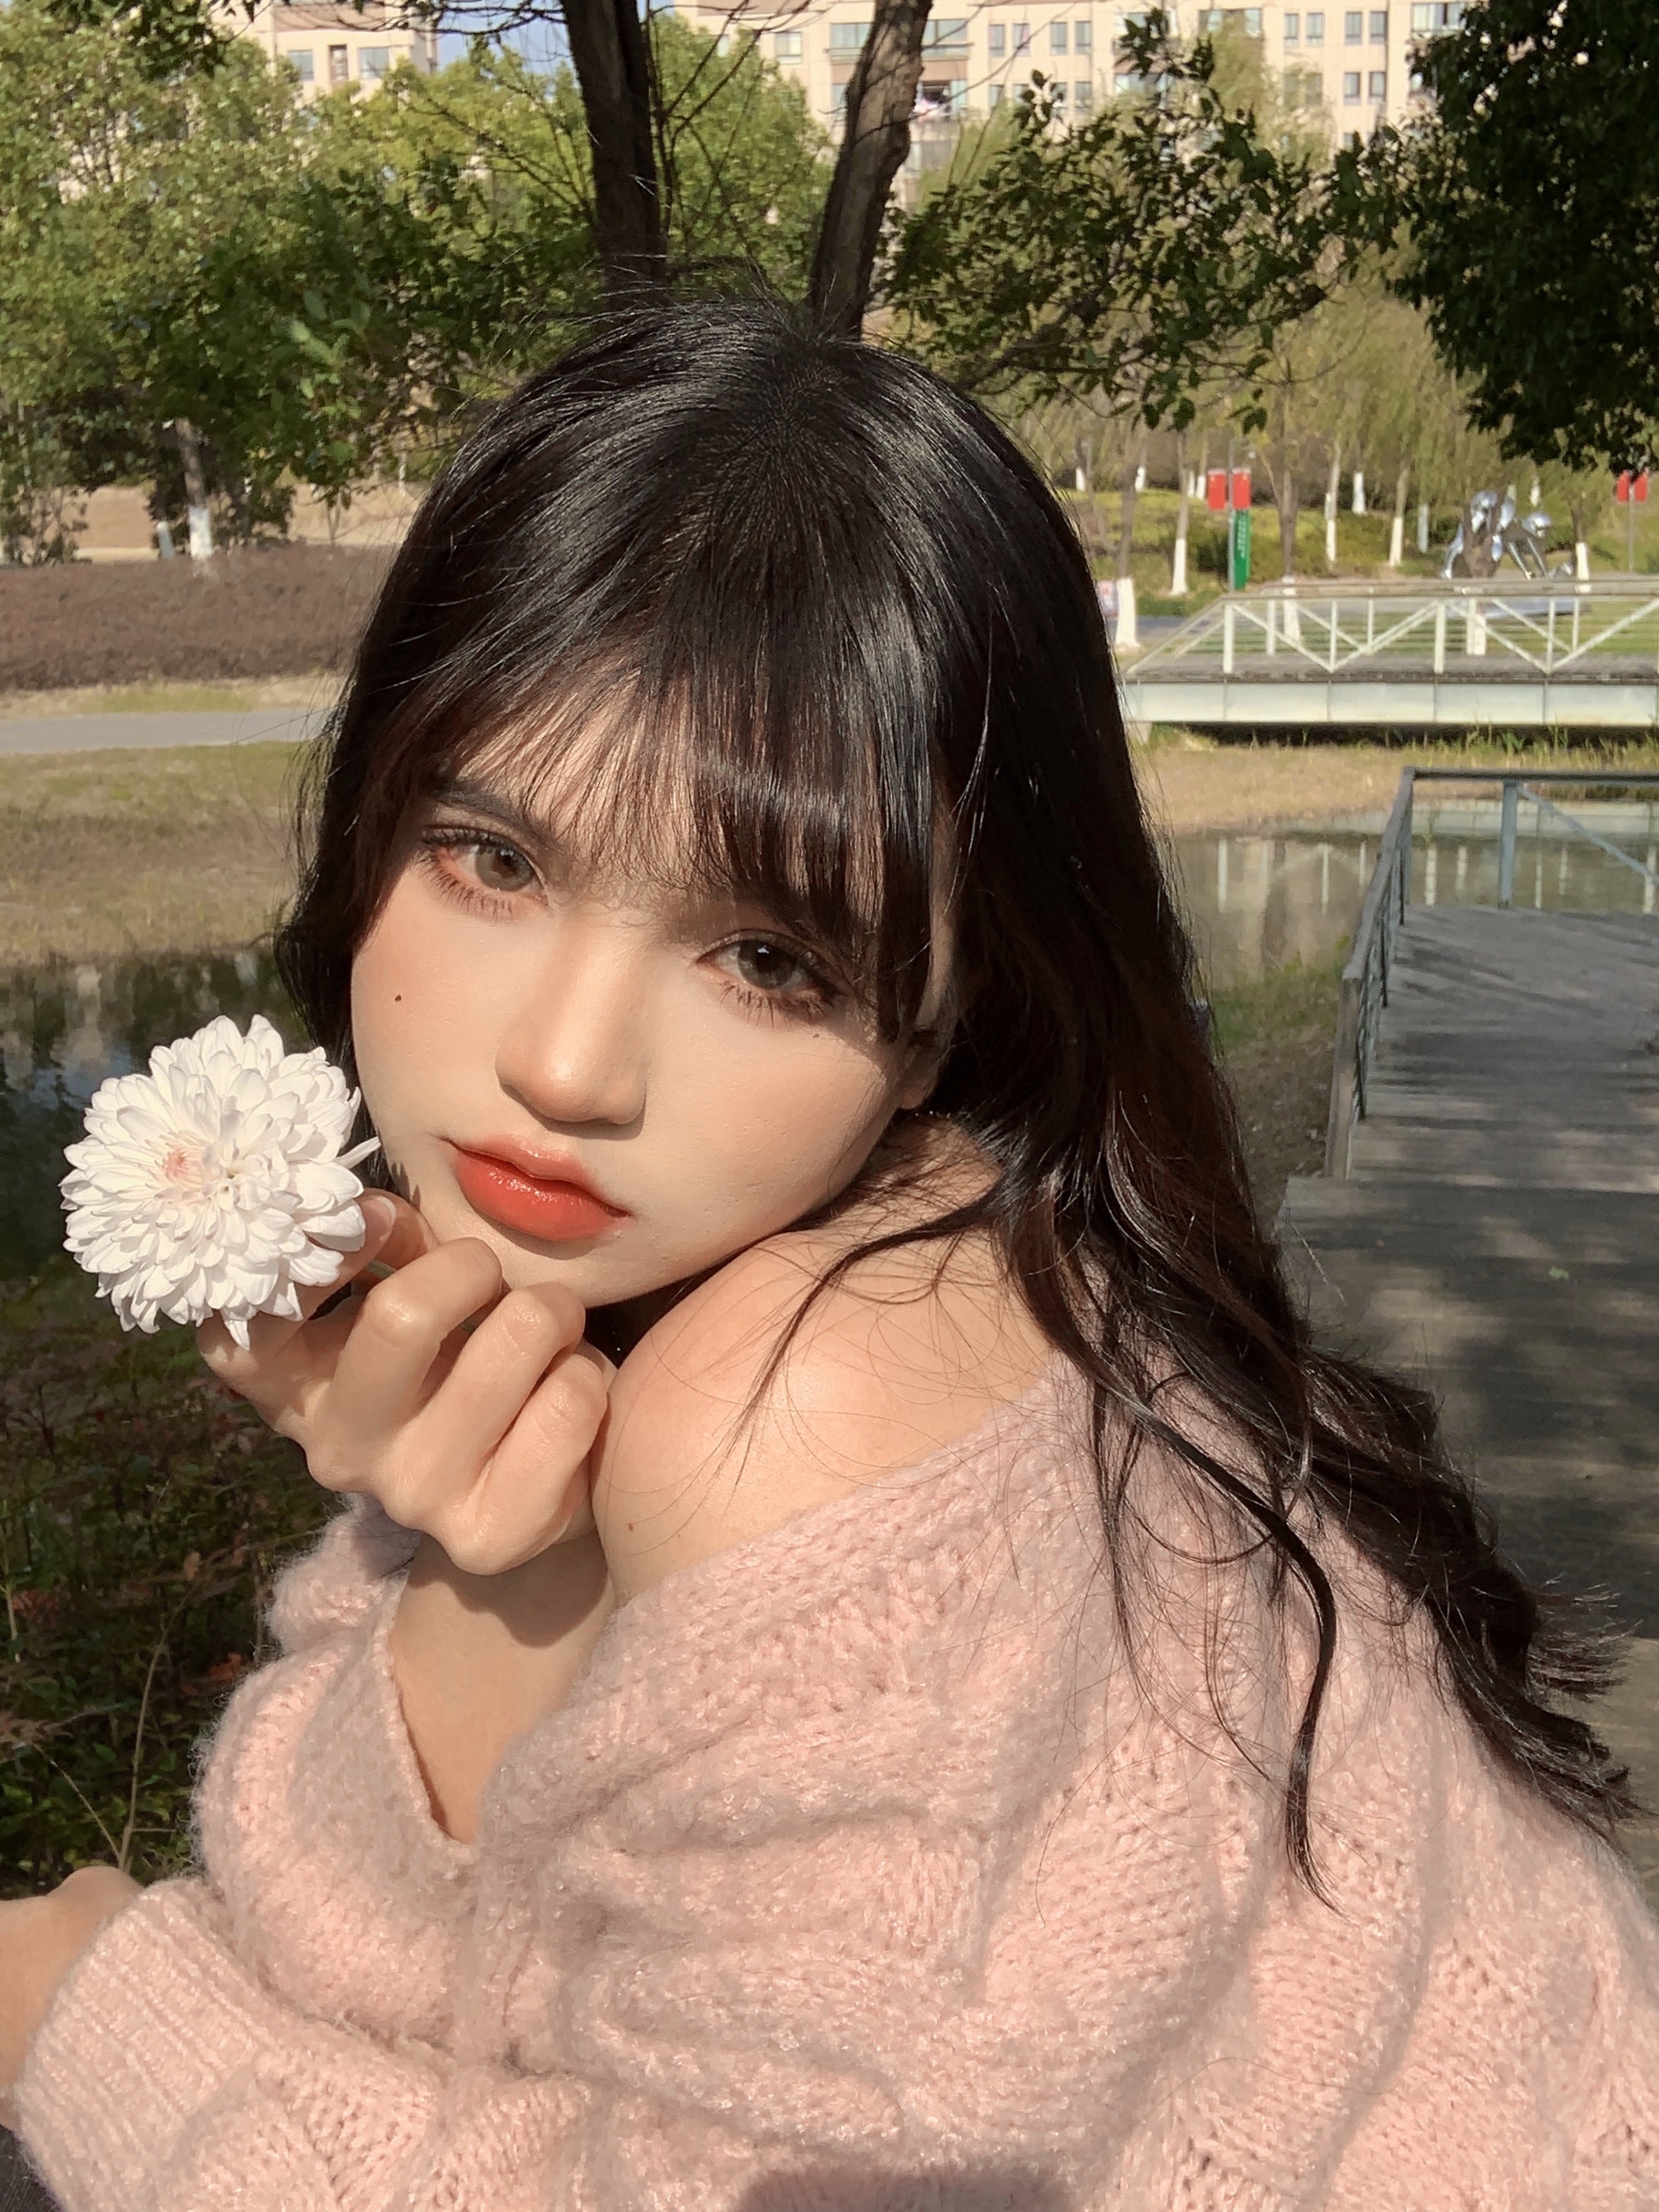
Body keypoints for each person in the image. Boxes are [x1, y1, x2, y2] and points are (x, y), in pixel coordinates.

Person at [2, 301, 1656, 2212]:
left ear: (947, 1014)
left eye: (768, 958)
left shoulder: (819, 1394)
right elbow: (456, 1977)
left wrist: (101, 2029)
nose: (566, 1067)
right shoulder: (913, 1257)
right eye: (494, 860)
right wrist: (506, 1562)